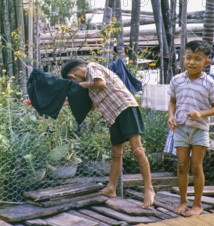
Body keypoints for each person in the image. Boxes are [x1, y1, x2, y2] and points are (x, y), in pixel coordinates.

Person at [62, 59, 155, 208]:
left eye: (73, 81)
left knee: (137, 150)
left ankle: (149, 189)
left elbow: (101, 84)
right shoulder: (89, 87)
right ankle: (111, 188)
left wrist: (82, 85)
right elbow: (92, 107)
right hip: (112, 116)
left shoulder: (91, 67)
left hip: (125, 107)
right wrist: (69, 101)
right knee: (116, 153)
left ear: (72, 76)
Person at [167, 40, 214, 216]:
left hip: (200, 130)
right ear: (183, 58)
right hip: (181, 129)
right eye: (188, 58)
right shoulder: (177, 80)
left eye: (197, 59)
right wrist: (171, 116)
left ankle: (197, 205)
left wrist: (201, 114)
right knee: (182, 166)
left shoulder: (210, 83)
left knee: (196, 167)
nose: (191, 62)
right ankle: (183, 201)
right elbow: (172, 101)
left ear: (206, 62)